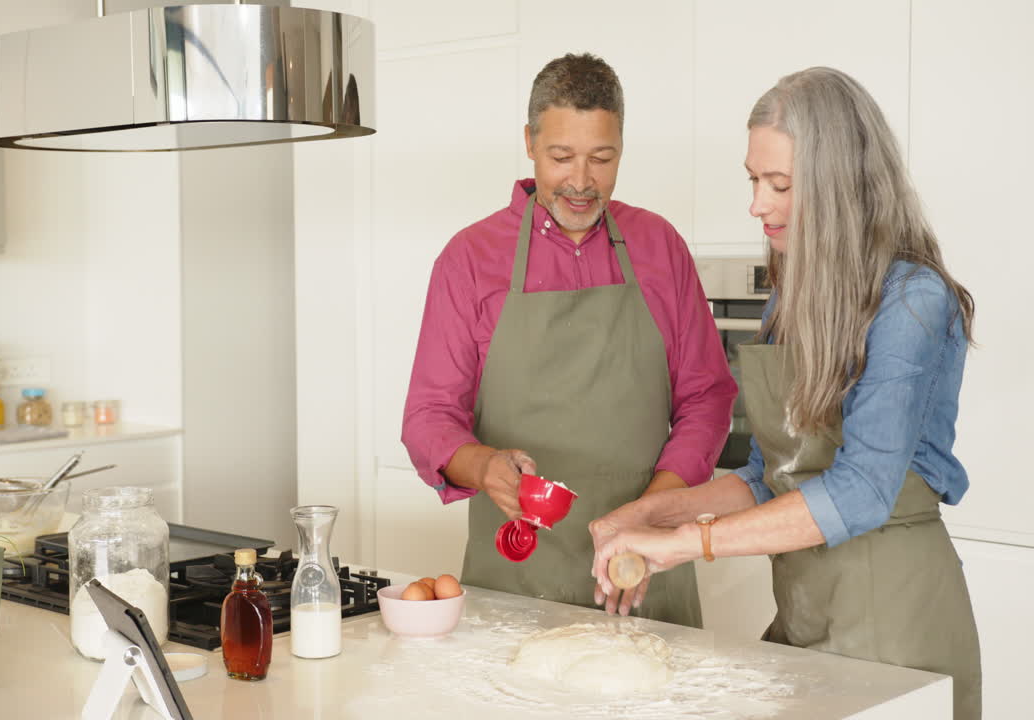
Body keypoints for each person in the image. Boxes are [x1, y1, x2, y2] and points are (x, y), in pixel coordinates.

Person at [588, 67, 982, 719]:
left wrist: (689, 543)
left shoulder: (912, 301)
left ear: (840, 190)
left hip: (895, 621)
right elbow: (775, 475)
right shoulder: (793, 300)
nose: (756, 204)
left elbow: (861, 491)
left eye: (780, 184)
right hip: (804, 615)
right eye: (754, 179)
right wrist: (658, 515)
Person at [401, 53, 736, 628]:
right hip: (516, 578)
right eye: (561, 157)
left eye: (601, 159)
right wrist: (484, 467)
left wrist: (651, 512)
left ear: (621, 149)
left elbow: (707, 398)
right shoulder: (469, 259)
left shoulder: (660, 247)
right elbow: (428, 418)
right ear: (530, 142)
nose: (581, 182)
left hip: (643, 569)